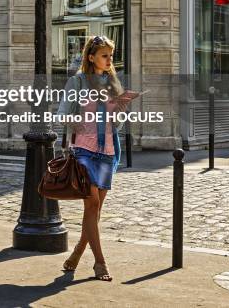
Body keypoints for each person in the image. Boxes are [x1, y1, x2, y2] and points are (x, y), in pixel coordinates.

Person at [57, 35, 133, 282]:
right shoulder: (77, 82)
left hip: (109, 151)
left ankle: (77, 253)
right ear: (91, 57)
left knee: (95, 211)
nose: (109, 60)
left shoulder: (112, 84)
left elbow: (117, 126)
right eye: (104, 55)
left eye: (111, 56)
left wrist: (120, 111)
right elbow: (62, 115)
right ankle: (100, 264)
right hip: (84, 152)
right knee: (91, 206)